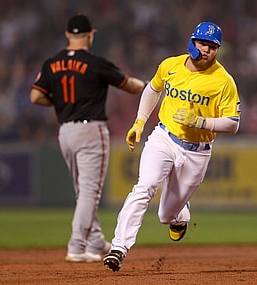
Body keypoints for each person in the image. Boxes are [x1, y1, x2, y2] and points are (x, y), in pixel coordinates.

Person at [103, 21, 241, 272]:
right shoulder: (171, 65)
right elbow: (152, 89)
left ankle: (179, 215)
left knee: (166, 216)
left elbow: (233, 123)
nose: (207, 50)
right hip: (164, 138)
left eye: (213, 46)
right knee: (144, 187)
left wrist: (201, 121)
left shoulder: (223, 81)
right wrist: (139, 122)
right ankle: (119, 247)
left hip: (197, 151)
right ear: (192, 42)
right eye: (203, 43)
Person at [30, 14, 148, 263]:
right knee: (89, 193)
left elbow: (36, 97)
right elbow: (129, 85)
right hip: (90, 131)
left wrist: (61, 102)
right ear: (90, 34)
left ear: (67, 35)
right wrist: (151, 86)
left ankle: (94, 240)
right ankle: (76, 245)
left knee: (81, 190)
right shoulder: (95, 63)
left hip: (65, 132)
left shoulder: (52, 63)